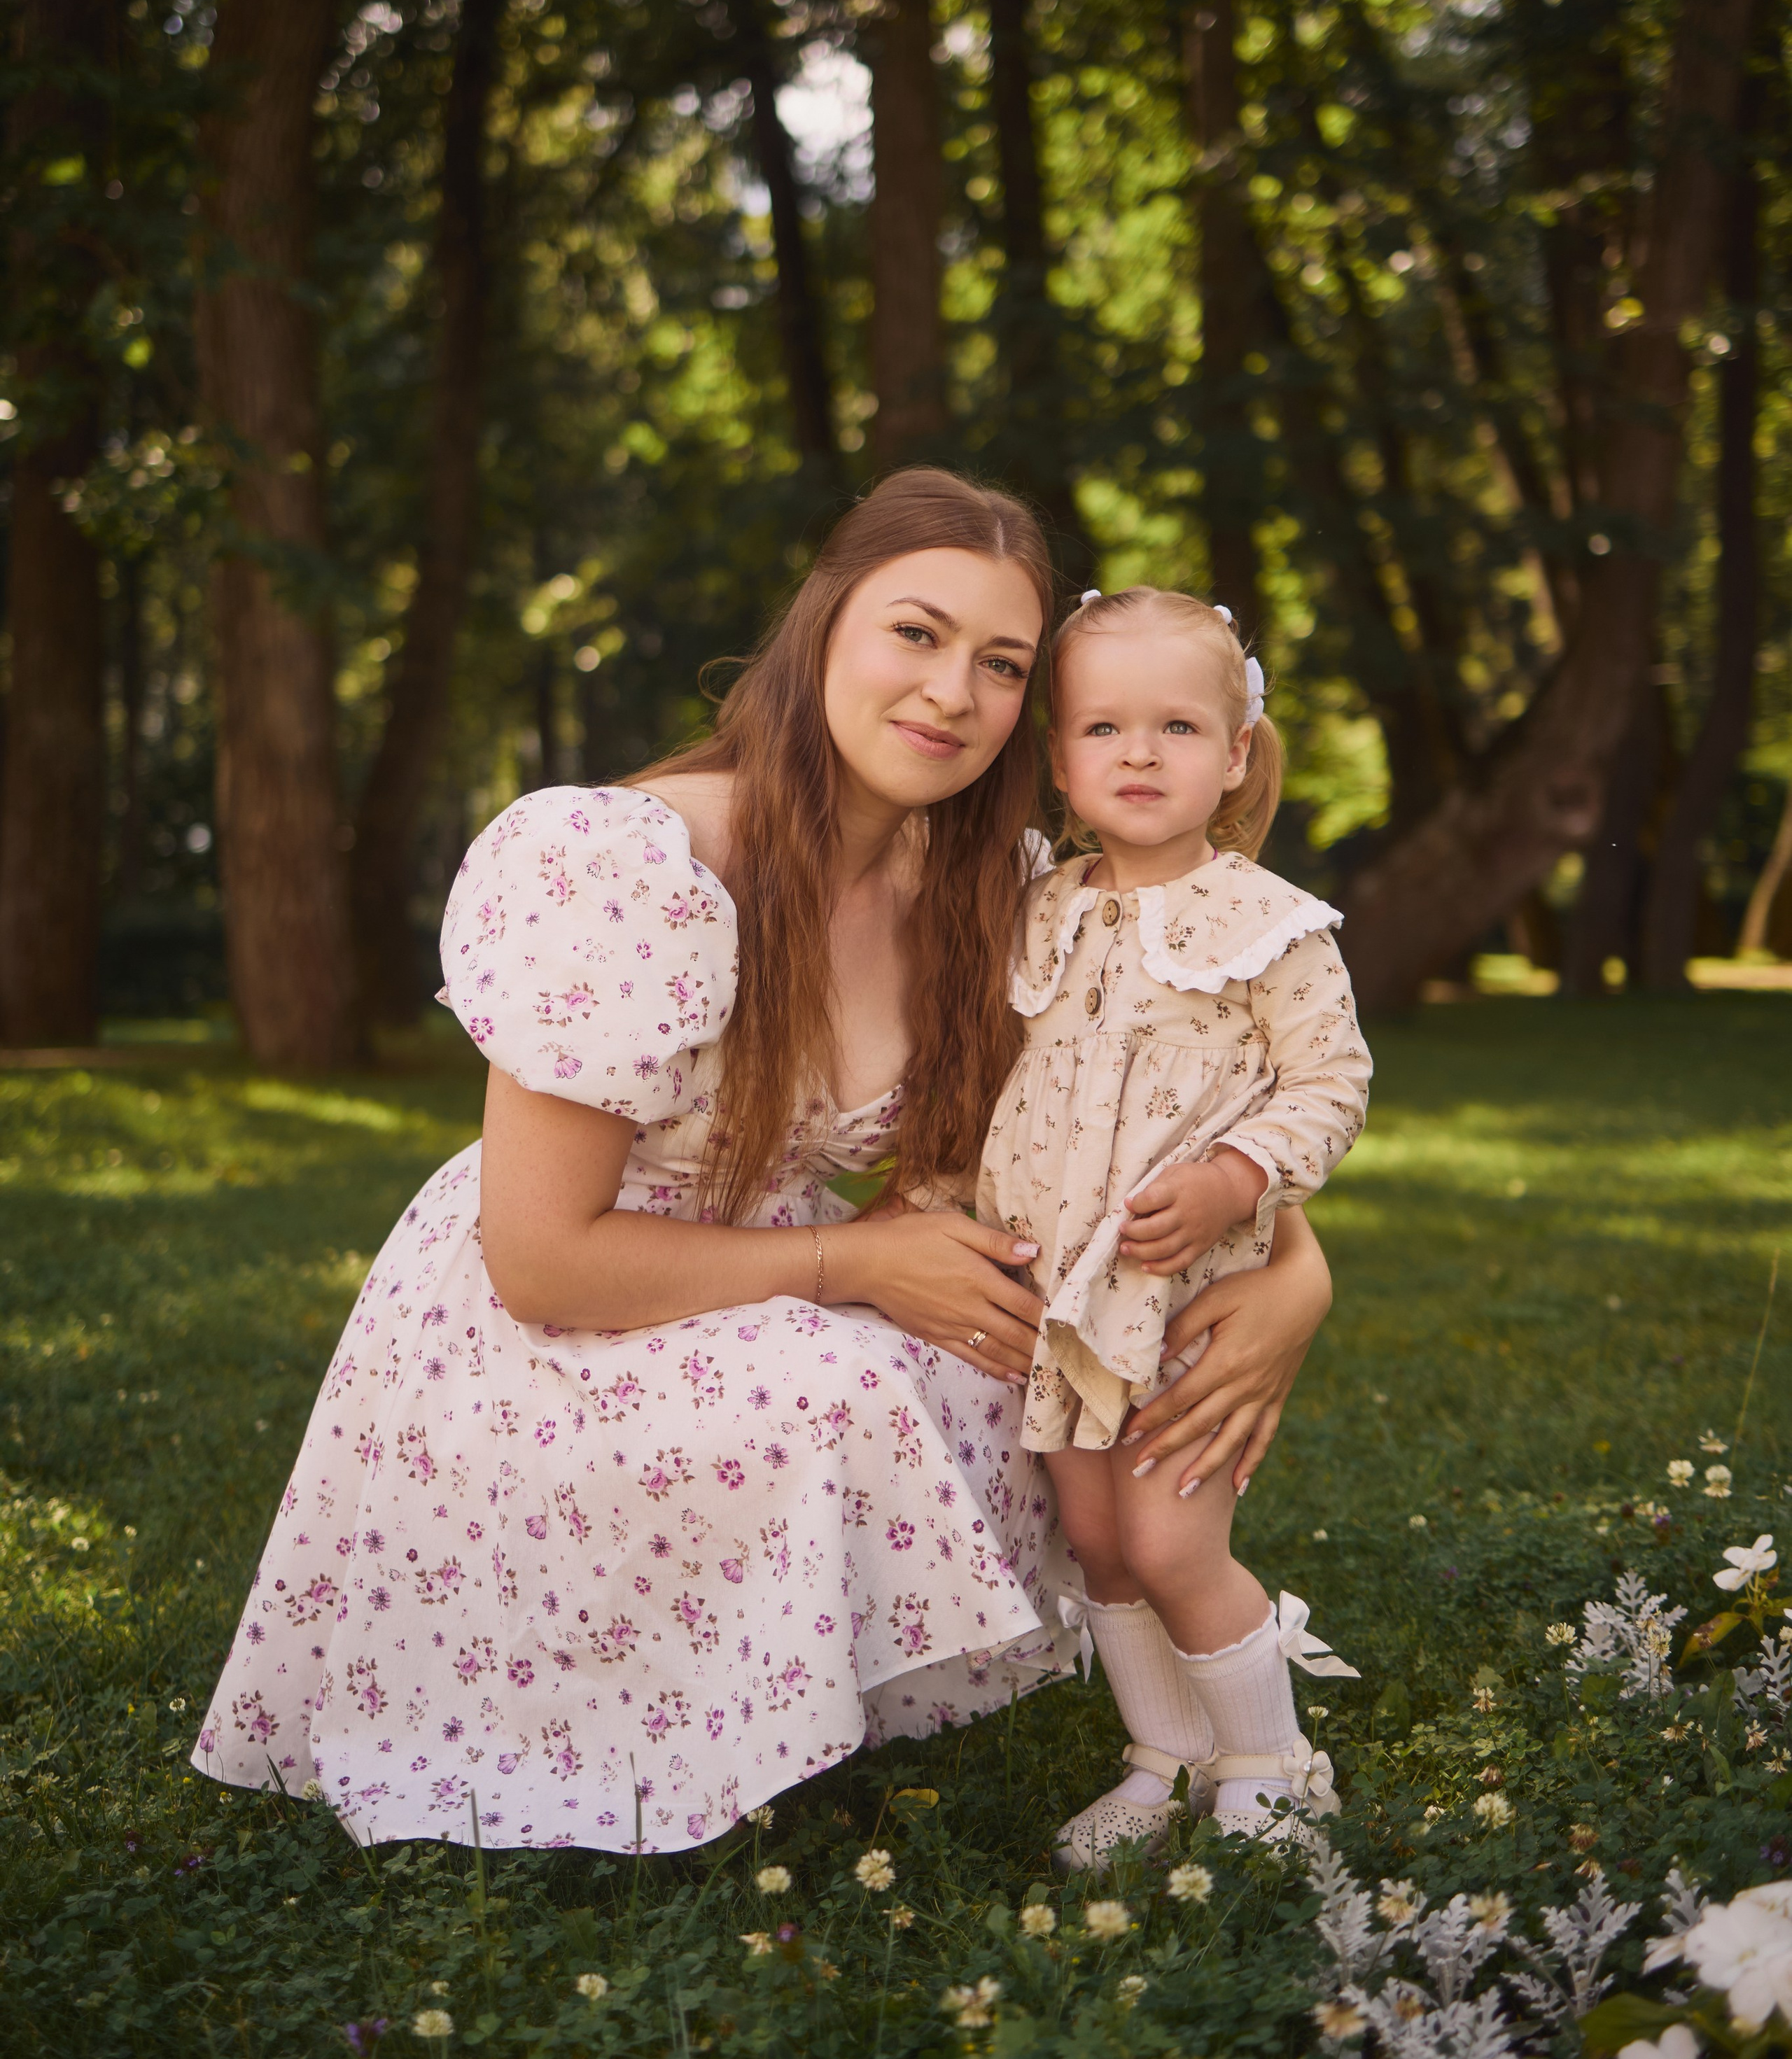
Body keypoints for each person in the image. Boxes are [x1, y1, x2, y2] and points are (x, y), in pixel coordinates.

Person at [194, 476, 1336, 1855]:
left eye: (999, 666)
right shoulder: (629, 863)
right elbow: (540, 1259)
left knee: (1004, 1346)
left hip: (777, 1266)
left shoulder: (994, 886)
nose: (950, 692)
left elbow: (1155, 1107)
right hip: (554, 1318)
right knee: (842, 1378)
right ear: (822, 626)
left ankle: (1154, 1723)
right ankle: (621, 1711)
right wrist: (854, 1261)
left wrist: (1293, 1277)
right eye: (913, 633)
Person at [978, 586, 1372, 1867]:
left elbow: (1331, 1080)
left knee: (1167, 1533)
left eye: (1178, 728)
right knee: (1094, 1537)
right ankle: (1165, 1753)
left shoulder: (1269, 923)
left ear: (1237, 752)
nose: (1139, 754)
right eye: (1103, 728)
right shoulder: (1040, 909)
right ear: (1059, 757)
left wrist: (1240, 1176)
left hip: (1179, 1290)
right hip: (1059, 1292)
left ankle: (1270, 1759)